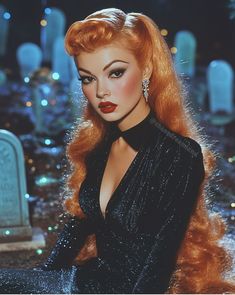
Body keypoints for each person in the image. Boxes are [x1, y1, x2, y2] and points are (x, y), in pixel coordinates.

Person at [1, 7, 235, 294]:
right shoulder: (100, 143)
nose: (101, 91)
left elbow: (158, 264)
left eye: (115, 73)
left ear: (146, 69)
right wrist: (38, 281)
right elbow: (78, 226)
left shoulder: (180, 157)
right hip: (79, 281)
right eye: (88, 78)